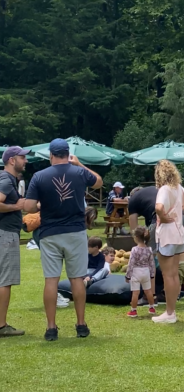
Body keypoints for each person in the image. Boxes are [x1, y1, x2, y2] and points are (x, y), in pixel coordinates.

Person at [24, 138, 103, 341]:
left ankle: (51, 328)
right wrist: (79, 164)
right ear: (68, 154)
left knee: (51, 280)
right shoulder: (78, 172)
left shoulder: (39, 176)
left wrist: (41, 206)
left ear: (51, 155)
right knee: (77, 278)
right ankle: (81, 324)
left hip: (50, 232)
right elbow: (99, 181)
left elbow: (29, 207)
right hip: (75, 232)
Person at [153, 159, 184, 324]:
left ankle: (170, 313)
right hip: (179, 234)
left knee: (168, 274)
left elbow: (158, 207)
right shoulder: (178, 188)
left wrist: (163, 217)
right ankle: (171, 311)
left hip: (168, 234)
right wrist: (179, 210)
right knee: (174, 274)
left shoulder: (164, 189)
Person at [0, 145, 30, 337]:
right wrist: (16, 206)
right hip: (6, 234)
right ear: (12, 160)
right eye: (22, 157)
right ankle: (1, 326)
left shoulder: (8, 179)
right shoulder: (6, 179)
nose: (25, 161)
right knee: (5, 280)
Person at [125, 226, 156, 317]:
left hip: (136, 272)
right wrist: (152, 274)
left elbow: (131, 263)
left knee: (135, 292)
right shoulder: (149, 249)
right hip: (146, 271)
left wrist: (128, 275)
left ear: (137, 237)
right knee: (148, 291)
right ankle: (152, 307)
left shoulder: (134, 250)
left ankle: (133, 310)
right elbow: (151, 263)